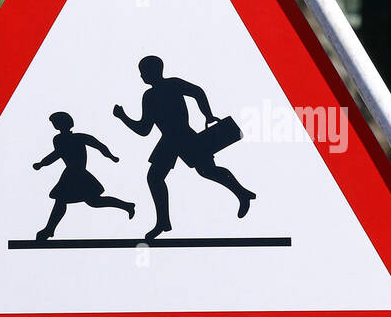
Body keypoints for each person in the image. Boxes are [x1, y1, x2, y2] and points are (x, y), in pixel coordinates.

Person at [114, 55, 255, 240]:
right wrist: (123, 117)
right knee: (156, 178)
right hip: (169, 141)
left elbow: (197, 92)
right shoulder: (149, 96)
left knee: (206, 171)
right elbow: (145, 129)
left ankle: (241, 193)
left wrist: (208, 115)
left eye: (143, 72)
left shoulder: (171, 84)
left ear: (152, 72)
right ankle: (163, 221)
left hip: (183, 136)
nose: (141, 76)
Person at [32, 112, 134, 241]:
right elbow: (57, 154)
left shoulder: (79, 137)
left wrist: (111, 156)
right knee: (77, 201)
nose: (54, 125)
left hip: (78, 173)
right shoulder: (57, 139)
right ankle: (49, 229)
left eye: (56, 122)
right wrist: (42, 163)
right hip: (70, 174)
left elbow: (99, 146)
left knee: (86, 201)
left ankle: (49, 229)